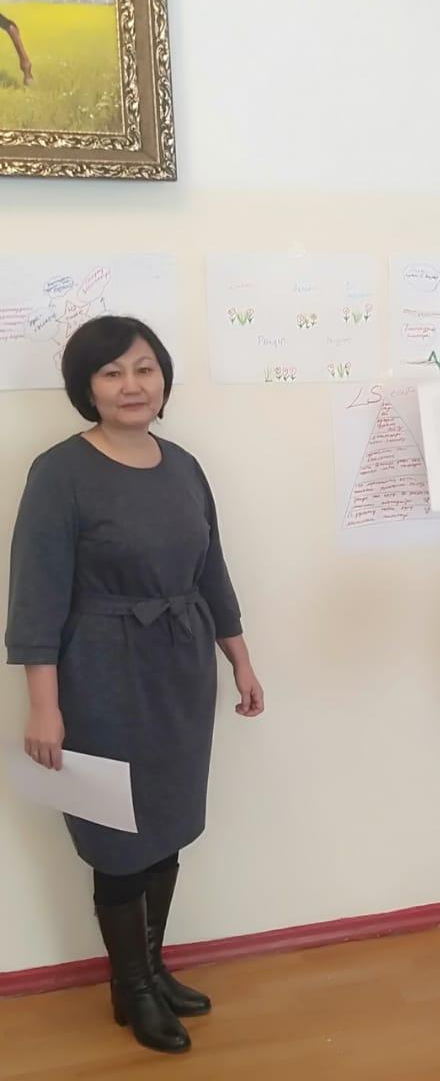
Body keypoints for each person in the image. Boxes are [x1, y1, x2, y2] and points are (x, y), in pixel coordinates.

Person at [6, 315, 265, 1055]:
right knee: (117, 835)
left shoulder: (183, 466)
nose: (131, 385)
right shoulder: (59, 472)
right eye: (112, 372)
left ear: (163, 379)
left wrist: (240, 658)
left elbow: (212, 571)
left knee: (166, 822)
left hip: (179, 668)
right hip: (99, 673)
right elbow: (36, 596)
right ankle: (131, 987)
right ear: (86, 387)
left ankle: (150, 971)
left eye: (144, 368)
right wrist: (44, 707)